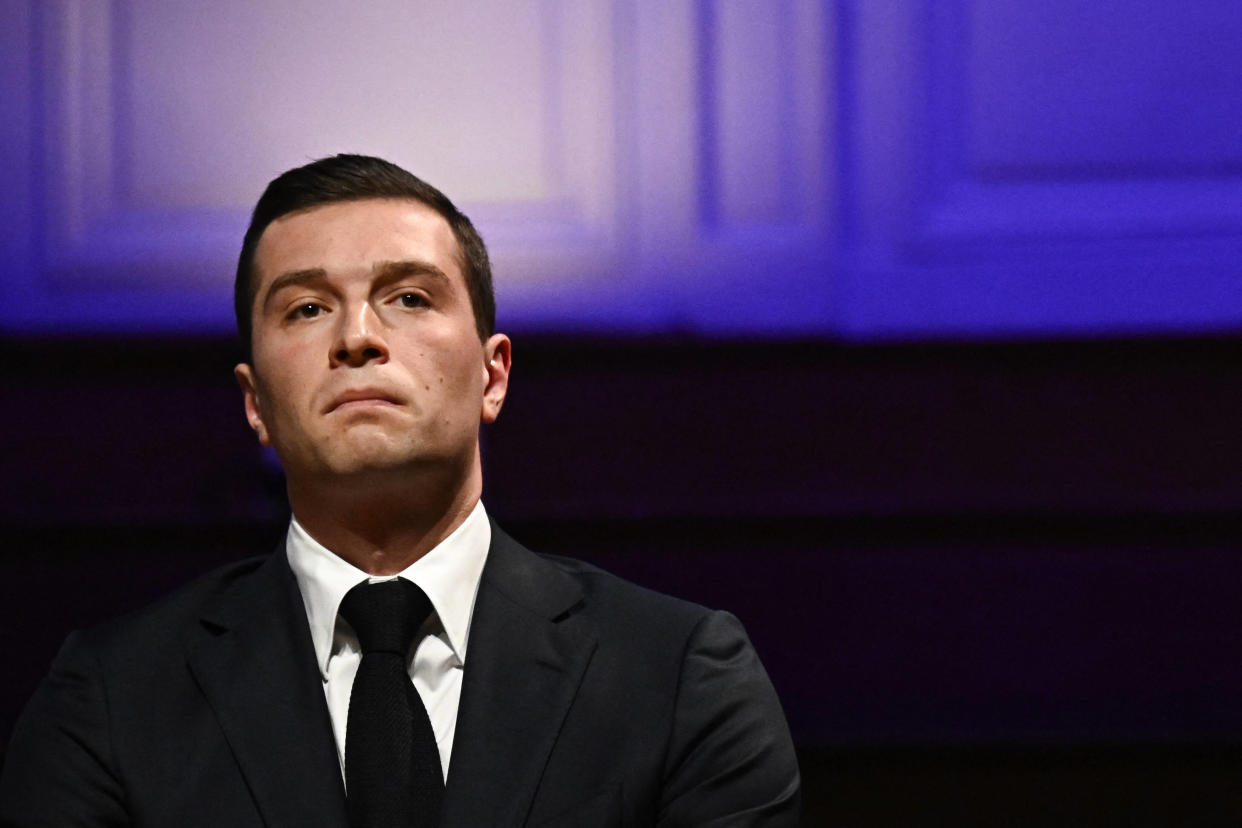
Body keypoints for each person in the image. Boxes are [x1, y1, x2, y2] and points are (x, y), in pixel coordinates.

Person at [0, 154, 800, 826]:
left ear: (494, 375)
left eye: (410, 297)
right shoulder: (109, 697)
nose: (357, 337)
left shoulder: (680, 677)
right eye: (308, 308)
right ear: (255, 405)